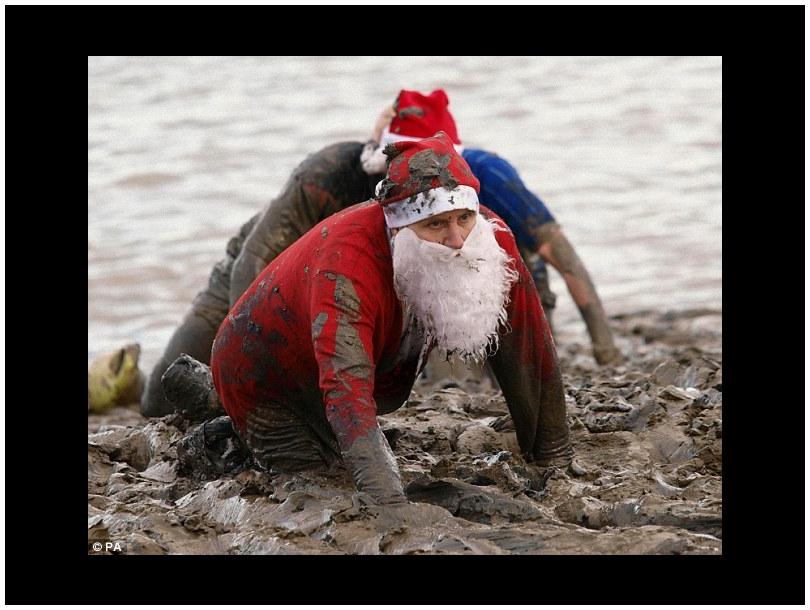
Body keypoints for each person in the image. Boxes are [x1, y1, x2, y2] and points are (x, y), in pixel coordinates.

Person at [141, 88, 620, 418]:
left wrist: (606, 349)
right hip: (275, 283)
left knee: (467, 368)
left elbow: (561, 255)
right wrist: (244, 358)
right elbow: (253, 261)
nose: (413, 176)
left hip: (438, 276)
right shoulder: (329, 175)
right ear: (378, 158)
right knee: (157, 396)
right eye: (399, 163)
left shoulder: (484, 176)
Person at [165, 132, 573, 504]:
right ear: (400, 231)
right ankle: (219, 415)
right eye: (435, 225)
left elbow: (529, 351)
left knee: (347, 452)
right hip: (263, 373)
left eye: (464, 218)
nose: (455, 241)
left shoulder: (490, 237)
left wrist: (551, 458)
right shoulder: (348, 266)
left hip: (350, 363)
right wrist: (392, 506)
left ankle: (212, 404)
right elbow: (345, 391)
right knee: (325, 482)